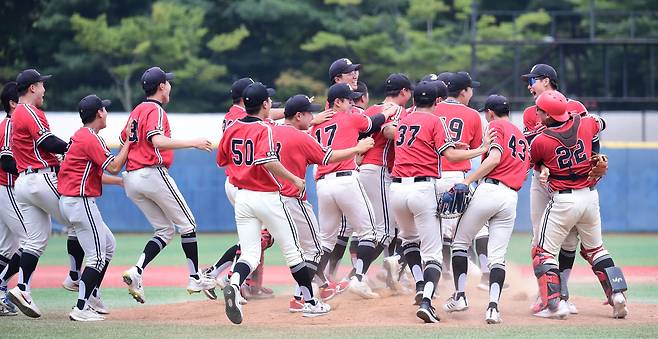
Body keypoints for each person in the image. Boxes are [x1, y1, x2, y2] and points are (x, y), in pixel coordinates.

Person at [217, 82, 331, 323]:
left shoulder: (231, 128)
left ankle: (235, 285)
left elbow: (223, 160)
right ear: (266, 104)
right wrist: (293, 179)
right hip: (266, 196)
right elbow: (267, 161)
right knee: (294, 251)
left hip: (242, 197)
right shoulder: (266, 129)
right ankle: (310, 302)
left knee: (250, 253)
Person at [387, 81, 493, 323]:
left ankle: (420, 285)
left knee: (409, 240)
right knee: (433, 253)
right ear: (437, 102)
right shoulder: (436, 121)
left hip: (396, 189)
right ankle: (427, 302)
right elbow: (451, 156)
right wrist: (481, 150)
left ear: (414, 101)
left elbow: (391, 132)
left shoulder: (404, 120)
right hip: (422, 188)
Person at [529, 90, 628, 320]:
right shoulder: (586, 123)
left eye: (541, 111)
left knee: (543, 253)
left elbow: (535, 162)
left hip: (564, 199)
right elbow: (600, 123)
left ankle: (554, 304)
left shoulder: (542, 140)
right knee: (596, 250)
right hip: (590, 197)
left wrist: (543, 169)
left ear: (549, 115)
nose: (538, 114)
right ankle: (618, 294)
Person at [120, 66, 215, 304]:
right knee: (188, 225)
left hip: (132, 177)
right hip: (151, 173)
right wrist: (192, 142)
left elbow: (125, 139)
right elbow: (157, 140)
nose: (170, 86)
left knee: (164, 230)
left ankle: (136, 271)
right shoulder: (155, 109)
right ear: (161, 86)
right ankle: (194, 277)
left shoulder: (137, 111)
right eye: (168, 82)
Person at [273, 94, 374, 310]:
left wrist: (312, 124)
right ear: (298, 115)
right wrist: (357, 148)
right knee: (315, 250)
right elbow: (327, 157)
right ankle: (302, 298)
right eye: (309, 112)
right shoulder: (302, 137)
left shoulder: (272, 131)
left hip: (273, 199)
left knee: (306, 248)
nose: (314, 116)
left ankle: (315, 289)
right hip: (294, 199)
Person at [442, 95, 530, 324]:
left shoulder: (494, 125)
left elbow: (494, 158)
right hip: (511, 197)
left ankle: (460, 296)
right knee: (497, 257)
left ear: (490, 112)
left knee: (460, 243)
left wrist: (468, 180)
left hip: (490, 189)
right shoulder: (521, 135)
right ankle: (493, 308)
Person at [7, 69, 85, 318]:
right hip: (41, 178)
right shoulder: (29, 111)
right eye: (42, 85)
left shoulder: (16, 114)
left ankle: (22, 288)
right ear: (32, 88)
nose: (44, 89)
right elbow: (46, 141)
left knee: (35, 240)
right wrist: (73, 148)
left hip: (23, 182)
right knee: (77, 220)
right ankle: (76, 279)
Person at [312, 83, 396, 300]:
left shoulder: (316, 127)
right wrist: (388, 111)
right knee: (369, 232)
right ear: (337, 102)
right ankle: (358, 278)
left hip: (322, 183)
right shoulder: (349, 117)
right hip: (346, 179)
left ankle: (313, 284)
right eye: (348, 100)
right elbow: (373, 123)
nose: (352, 103)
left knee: (326, 240)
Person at [520, 63, 593, 314]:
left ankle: (561, 294)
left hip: (573, 182)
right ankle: (546, 297)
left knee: (570, 240)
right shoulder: (531, 113)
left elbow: (591, 144)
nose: (529, 86)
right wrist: (541, 171)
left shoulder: (577, 109)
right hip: (542, 184)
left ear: (546, 81)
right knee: (539, 238)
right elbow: (533, 152)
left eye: (533, 80)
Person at [57, 94, 131, 321]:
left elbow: (96, 173)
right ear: (99, 113)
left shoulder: (79, 136)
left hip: (70, 201)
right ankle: (81, 307)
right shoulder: (92, 139)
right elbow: (115, 166)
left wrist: (119, 182)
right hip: (80, 202)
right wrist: (130, 141)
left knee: (108, 245)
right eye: (104, 109)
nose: (106, 112)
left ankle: (92, 295)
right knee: (97, 256)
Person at [435, 71, 490, 288]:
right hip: (458, 177)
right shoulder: (472, 115)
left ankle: (443, 274)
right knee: (481, 226)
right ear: (464, 91)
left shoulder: (433, 109)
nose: (472, 92)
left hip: (432, 177)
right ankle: (485, 273)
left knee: (440, 231)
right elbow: (478, 147)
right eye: (470, 88)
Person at [359, 73, 413, 293]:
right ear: (404, 92)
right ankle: (356, 276)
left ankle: (390, 272)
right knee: (386, 232)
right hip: (380, 170)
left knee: (382, 228)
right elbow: (388, 131)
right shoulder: (398, 110)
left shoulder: (371, 110)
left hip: (364, 170)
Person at [0, 82, 25, 316]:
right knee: (31, 240)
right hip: (6, 188)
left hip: (6, 189)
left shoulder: (14, 123)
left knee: (7, 248)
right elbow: (6, 161)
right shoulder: (10, 124)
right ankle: (1, 288)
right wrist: (27, 169)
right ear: (12, 103)